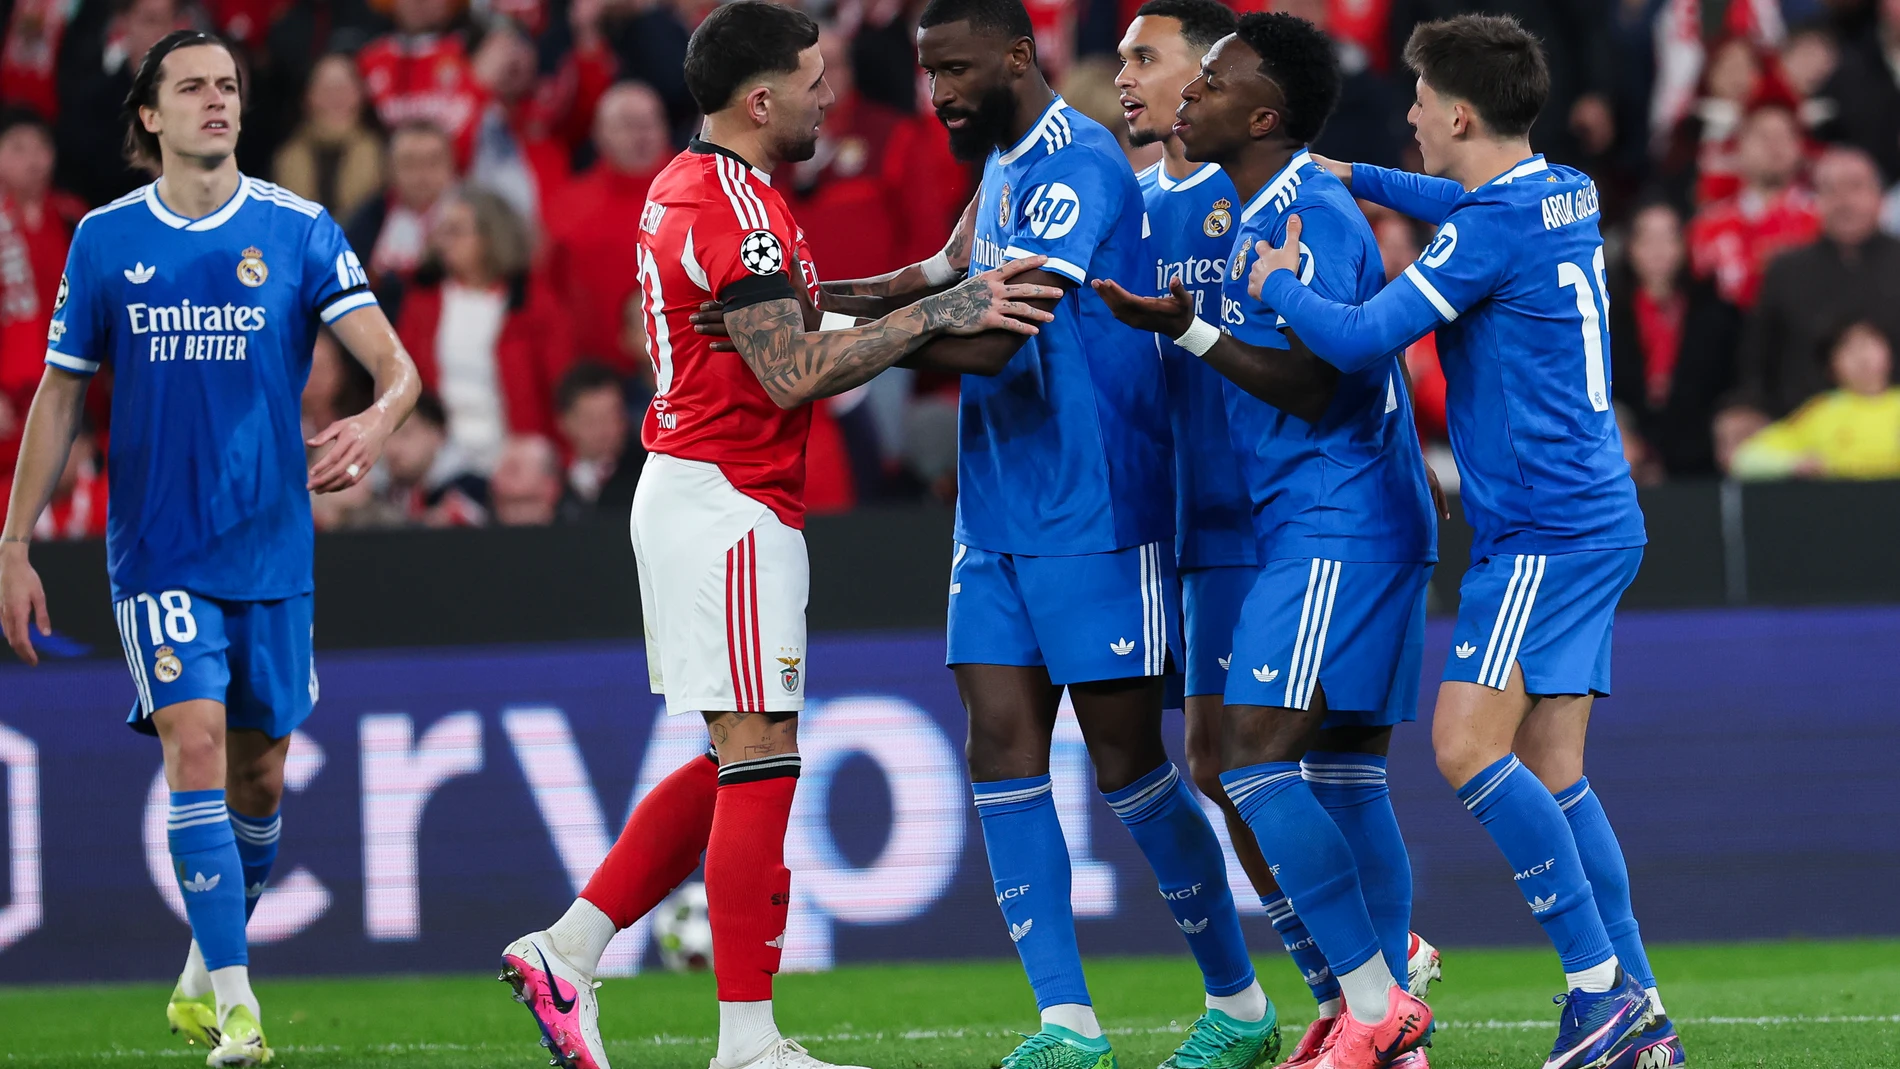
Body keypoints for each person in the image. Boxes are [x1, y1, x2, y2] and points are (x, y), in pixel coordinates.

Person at [494, 6, 1062, 1069]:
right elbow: (793, 368)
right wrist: (944, 319)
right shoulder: (735, 210)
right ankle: (748, 1044)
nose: (829, 97)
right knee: (762, 759)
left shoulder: (706, 188)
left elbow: (809, 312)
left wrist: (942, 271)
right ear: (761, 100)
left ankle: (567, 950)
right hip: (730, 499)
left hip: (707, 494)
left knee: (736, 757)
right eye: (813, 80)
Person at [1244, 15, 1680, 1069]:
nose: (1406, 117)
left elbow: (1355, 341)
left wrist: (1275, 284)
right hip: (1595, 515)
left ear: (1458, 112)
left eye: (1416, 98)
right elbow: (1457, 200)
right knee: (1554, 767)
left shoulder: (1490, 232)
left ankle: (1595, 992)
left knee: (1463, 747)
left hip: (1540, 531)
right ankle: (1642, 1012)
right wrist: (1347, 169)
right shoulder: (1558, 189)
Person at [0, 29, 419, 1068]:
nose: (216, 101)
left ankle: (200, 971)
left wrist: (375, 422)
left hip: (273, 547)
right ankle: (240, 1011)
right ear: (149, 114)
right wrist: (14, 541)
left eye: (227, 85)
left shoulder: (298, 228)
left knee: (262, 775)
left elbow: (395, 368)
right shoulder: (104, 240)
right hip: (158, 548)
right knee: (194, 741)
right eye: (190, 87)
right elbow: (60, 391)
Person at [904, 1, 1276, 1066]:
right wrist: (802, 308)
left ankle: (1241, 1005)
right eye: (929, 74)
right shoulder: (1002, 175)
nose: (940, 95)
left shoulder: (1080, 167)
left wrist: (847, 344)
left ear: (1018, 58)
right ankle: (1067, 1025)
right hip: (995, 511)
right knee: (1000, 752)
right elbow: (931, 283)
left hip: (1096, 507)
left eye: (957, 70)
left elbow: (991, 340)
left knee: (1126, 765)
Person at [1098, 13, 1440, 1069]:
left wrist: (1189, 329)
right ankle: (1380, 1023)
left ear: (1264, 113)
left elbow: (1319, 378)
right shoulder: (1261, 211)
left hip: (1336, 519)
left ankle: (1376, 999)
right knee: (1337, 774)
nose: (1187, 96)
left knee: (1249, 761)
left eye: (1209, 81)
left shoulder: (1312, 212)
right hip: (1330, 518)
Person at [1716, 145, 1900, 469]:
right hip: (1806, 446)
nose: (1844, 202)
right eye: (1830, 190)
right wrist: (1745, 410)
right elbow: (1757, 360)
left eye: (1855, 187)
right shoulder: (1786, 271)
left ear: (1879, 196)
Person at [396, 187, 574, 476]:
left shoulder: (535, 304)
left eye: (456, 231)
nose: (444, 242)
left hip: (517, 456)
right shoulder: (422, 303)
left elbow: (560, 388)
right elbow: (403, 381)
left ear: (492, 237)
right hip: (439, 459)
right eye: (442, 231)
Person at [545, 82, 671, 375]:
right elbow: (551, 300)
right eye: (628, 126)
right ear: (599, 134)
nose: (641, 135)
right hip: (599, 380)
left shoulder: (704, 193)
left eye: (650, 124)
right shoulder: (566, 206)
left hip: (689, 375)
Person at [1684, 103, 1817, 313]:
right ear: (1739, 147)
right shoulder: (1707, 226)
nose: (1774, 146)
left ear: (1800, 148)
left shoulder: (1821, 221)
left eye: (1784, 136)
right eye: (1763, 137)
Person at [1730, 319, 1900, 480]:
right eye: (1848, 349)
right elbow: (1745, 460)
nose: (1862, 358)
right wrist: (1794, 464)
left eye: (1868, 345)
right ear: (1831, 366)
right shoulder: (1821, 412)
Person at [270, 52, 385, 222]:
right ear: (308, 98)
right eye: (326, 90)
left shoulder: (382, 155)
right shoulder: (285, 157)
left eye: (343, 89)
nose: (335, 98)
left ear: (361, 95)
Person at [555, 360, 642, 521]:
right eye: (591, 420)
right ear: (564, 423)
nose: (604, 431)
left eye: (612, 417)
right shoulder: (553, 487)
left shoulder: (645, 480)